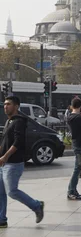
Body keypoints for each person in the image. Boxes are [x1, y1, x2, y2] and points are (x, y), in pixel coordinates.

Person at [0, 96, 45, 228]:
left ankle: (37, 205)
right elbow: (4, 142)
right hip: (4, 163)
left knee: (12, 191)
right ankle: (2, 219)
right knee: (0, 192)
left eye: (8, 104)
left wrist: (5, 157)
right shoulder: (9, 121)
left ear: (16, 106)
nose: (5, 106)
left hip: (13, 164)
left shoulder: (19, 122)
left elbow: (17, 142)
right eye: (5, 104)